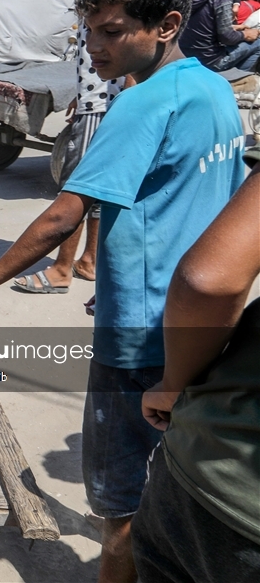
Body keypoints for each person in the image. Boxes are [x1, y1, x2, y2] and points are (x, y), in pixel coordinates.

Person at [0, 0, 247, 582]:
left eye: (111, 32)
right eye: (88, 29)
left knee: (121, 517)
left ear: (166, 24)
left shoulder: (140, 104)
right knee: (173, 486)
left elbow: (63, 216)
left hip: (137, 337)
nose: (94, 46)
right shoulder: (214, 89)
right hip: (203, 336)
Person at [132, 150, 259, 583]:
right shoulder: (219, 94)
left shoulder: (139, 106)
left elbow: (209, 280)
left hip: (215, 466)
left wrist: (174, 387)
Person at [13, 0, 122, 295]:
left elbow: (123, 38)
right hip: (97, 96)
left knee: (76, 188)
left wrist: (119, 95)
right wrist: (83, 90)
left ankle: (61, 269)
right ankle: (89, 261)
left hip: (104, 101)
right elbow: (91, 49)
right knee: (97, 188)